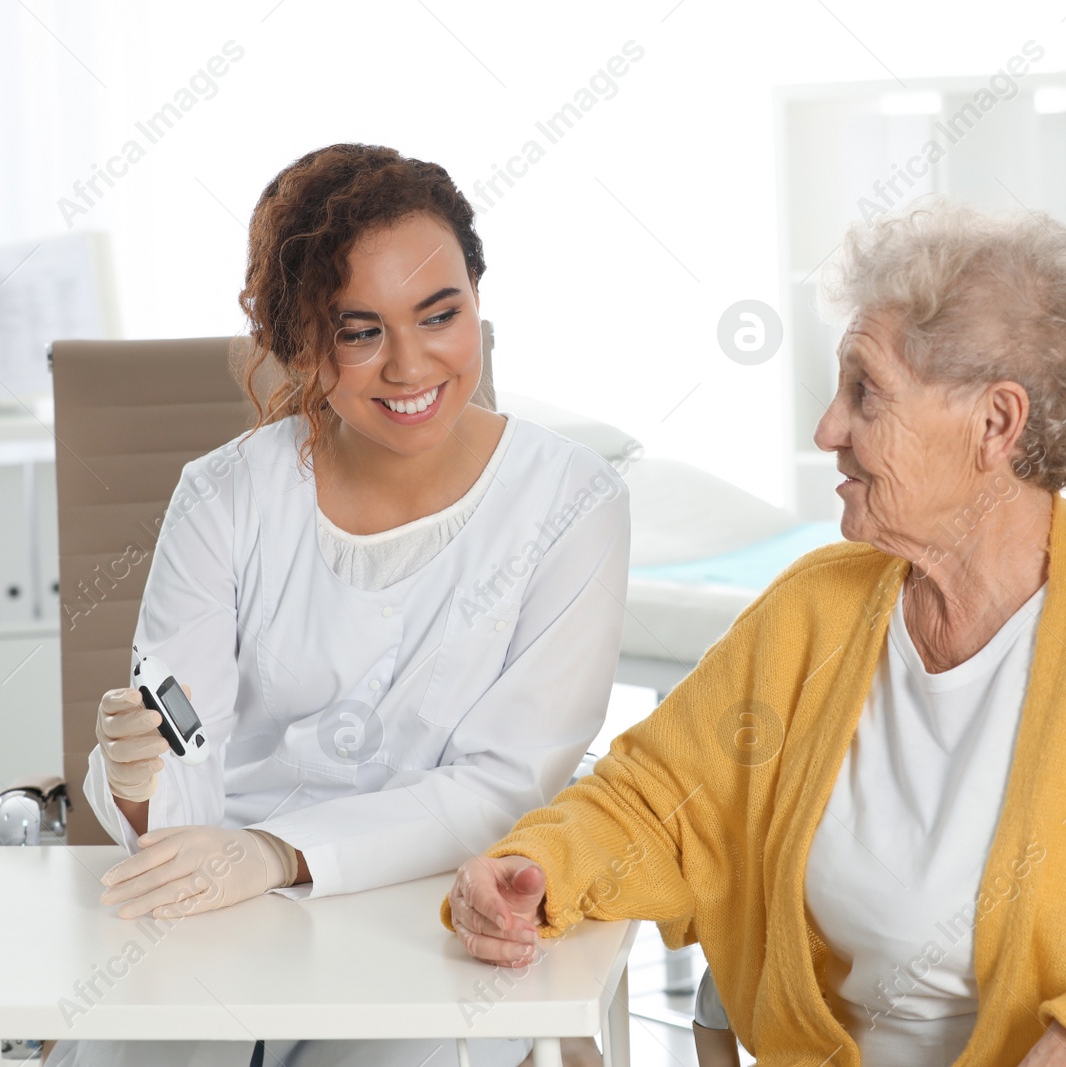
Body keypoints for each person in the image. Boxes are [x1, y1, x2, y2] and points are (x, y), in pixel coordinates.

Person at [443, 199, 1066, 1067]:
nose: (826, 427)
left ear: (995, 422)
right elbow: (656, 799)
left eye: (865, 394)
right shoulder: (820, 611)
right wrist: (538, 864)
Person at [44, 144, 629, 1067]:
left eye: (441, 315)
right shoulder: (225, 495)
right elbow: (185, 749)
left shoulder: (571, 503)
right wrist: (139, 783)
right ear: (302, 341)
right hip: (220, 902)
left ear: (478, 298)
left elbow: (505, 782)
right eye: (360, 332)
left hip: (433, 906)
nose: (409, 365)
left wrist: (281, 851)